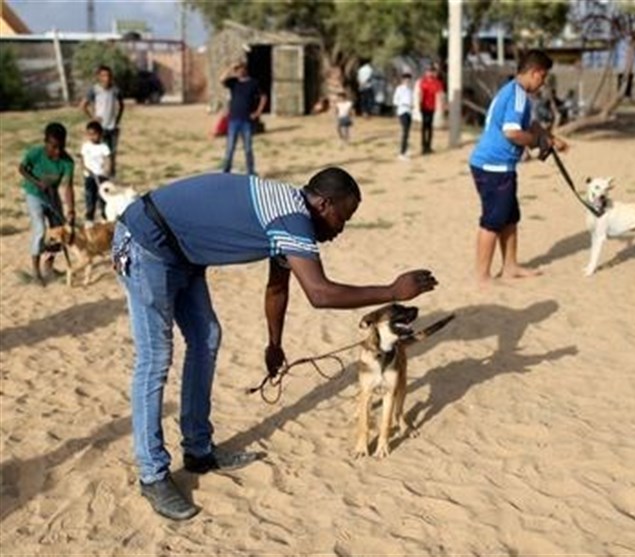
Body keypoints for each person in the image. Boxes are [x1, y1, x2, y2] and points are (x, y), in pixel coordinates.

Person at [112, 167, 438, 520]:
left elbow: (278, 287)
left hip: (182, 253)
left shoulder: (291, 216)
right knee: (156, 357)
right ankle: (153, 474)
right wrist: (391, 291)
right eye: (343, 217)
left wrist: (274, 343)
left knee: (207, 338)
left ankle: (199, 450)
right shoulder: (292, 217)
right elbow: (320, 293)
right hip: (146, 241)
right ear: (324, 204)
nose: (341, 229)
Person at [468, 50, 567, 284]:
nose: (542, 84)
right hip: (493, 168)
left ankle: (510, 266)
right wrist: (536, 142)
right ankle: (482, 275)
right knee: (492, 221)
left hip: (501, 167)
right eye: (543, 79)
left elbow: (529, 124)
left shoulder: (515, 91)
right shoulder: (517, 95)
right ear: (536, 73)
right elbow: (512, 133)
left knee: (510, 217)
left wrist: (549, 137)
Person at [18, 122, 76, 286]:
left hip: (52, 196)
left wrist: (71, 210)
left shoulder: (67, 161)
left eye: (61, 147)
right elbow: (22, 168)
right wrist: (36, 182)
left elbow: (68, 187)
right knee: (40, 230)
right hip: (34, 194)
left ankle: (49, 265)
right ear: (46, 142)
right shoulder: (35, 153)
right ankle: (36, 272)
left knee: (59, 230)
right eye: (54, 147)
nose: (57, 151)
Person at [220, 61, 267, 175]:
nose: (238, 71)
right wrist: (230, 67)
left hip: (247, 120)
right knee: (230, 148)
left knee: (248, 148)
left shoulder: (253, 83)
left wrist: (257, 112)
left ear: (245, 69)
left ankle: (250, 171)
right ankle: (226, 170)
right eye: (237, 69)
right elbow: (221, 80)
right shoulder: (233, 82)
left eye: (240, 68)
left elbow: (263, 97)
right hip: (233, 120)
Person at [80, 65, 123, 177]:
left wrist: (117, 119)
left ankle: (111, 178)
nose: (106, 78)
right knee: (100, 154)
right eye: (103, 75)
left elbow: (121, 105)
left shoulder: (115, 90)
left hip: (112, 128)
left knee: (112, 154)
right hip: (100, 129)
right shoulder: (94, 90)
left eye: (108, 75)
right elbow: (83, 105)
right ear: (99, 77)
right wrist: (93, 118)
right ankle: (99, 177)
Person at [79, 121, 111, 223]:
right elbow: (82, 160)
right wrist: (85, 168)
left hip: (101, 176)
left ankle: (104, 217)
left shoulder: (104, 147)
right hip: (89, 176)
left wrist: (107, 169)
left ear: (100, 134)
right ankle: (89, 218)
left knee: (103, 198)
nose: (92, 137)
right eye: (89, 134)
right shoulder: (86, 146)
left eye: (94, 134)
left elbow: (108, 159)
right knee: (90, 197)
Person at [418, 64, 444, 155]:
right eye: (428, 71)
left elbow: (440, 93)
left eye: (431, 71)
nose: (429, 73)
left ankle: (428, 145)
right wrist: (419, 104)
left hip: (432, 106)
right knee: (424, 125)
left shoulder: (436, 82)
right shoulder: (423, 81)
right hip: (424, 106)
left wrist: (442, 105)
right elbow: (420, 93)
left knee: (429, 126)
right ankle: (423, 146)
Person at [392, 72, 413, 160]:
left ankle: (405, 149)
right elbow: (395, 101)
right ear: (403, 80)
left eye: (408, 79)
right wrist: (403, 104)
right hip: (402, 110)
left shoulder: (410, 90)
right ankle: (402, 153)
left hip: (409, 111)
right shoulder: (399, 89)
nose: (407, 81)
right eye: (406, 79)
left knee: (407, 132)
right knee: (404, 132)